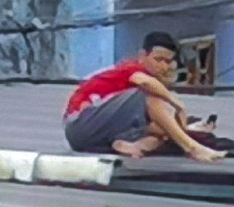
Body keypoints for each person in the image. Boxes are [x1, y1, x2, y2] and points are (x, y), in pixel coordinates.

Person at [63, 31, 225, 161]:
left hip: (93, 141)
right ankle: (192, 148)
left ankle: (136, 146)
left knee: (163, 131)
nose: (163, 66)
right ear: (142, 56)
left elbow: (163, 123)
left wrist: (188, 128)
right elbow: (144, 82)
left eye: (168, 61)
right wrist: (178, 104)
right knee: (152, 96)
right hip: (79, 123)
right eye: (158, 59)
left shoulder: (139, 103)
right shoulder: (132, 68)